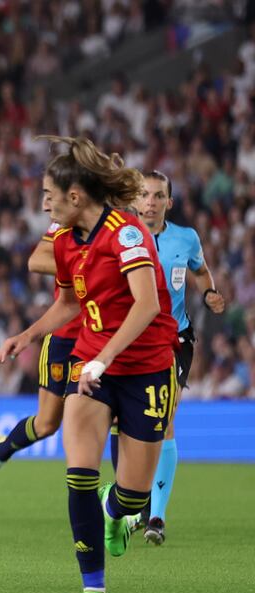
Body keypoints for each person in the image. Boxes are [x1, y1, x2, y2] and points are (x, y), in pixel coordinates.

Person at [0, 136, 178, 593]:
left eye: (48, 195)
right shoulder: (67, 243)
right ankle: (92, 589)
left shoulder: (126, 233)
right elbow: (70, 304)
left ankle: (118, 512)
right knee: (79, 473)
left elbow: (147, 305)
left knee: (133, 495)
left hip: (147, 367)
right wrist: (27, 336)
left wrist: (106, 358)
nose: (44, 204)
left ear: (75, 197)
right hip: (93, 364)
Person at [114, 170, 225, 544]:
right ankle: (134, 505)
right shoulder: (124, 236)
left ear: (169, 202)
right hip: (132, 339)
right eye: (145, 195)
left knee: (166, 419)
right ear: (135, 200)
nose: (151, 202)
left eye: (158, 196)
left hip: (174, 339)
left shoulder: (186, 238)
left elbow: (201, 271)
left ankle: (156, 518)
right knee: (127, 425)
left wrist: (210, 293)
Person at [0, 222, 80, 491]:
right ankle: (1, 450)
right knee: (46, 424)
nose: (48, 204)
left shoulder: (122, 227)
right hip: (64, 337)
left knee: (101, 419)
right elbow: (37, 259)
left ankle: (130, 506)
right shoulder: (67, 221)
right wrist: (84, 264)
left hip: (102, 339)